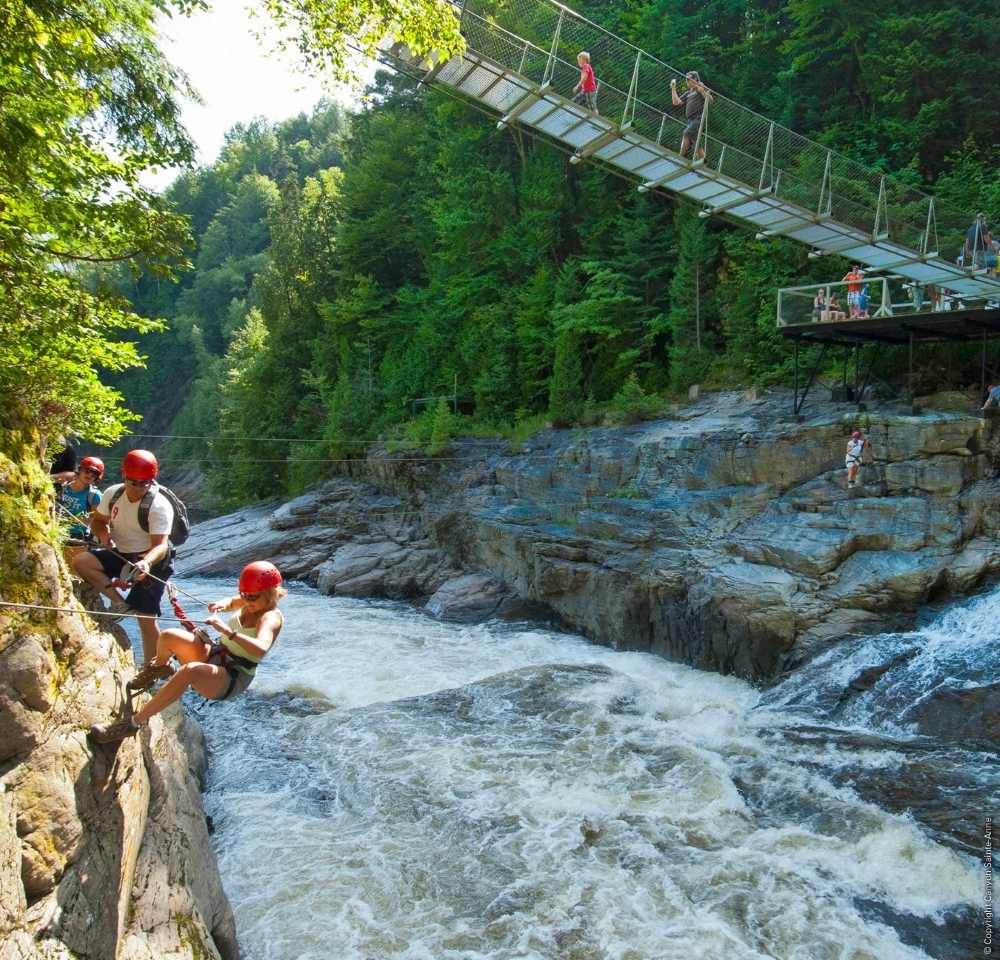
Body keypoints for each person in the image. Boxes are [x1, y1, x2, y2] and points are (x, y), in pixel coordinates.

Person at [89, 562, 286, 743]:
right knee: (169, 636)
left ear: (270, 594)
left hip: (233, 676)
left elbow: (260, 648)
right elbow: (232, 602)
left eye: (252, 597)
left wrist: (227, 631)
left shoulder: (270, 618)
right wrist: (221, 605)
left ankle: (131, 724)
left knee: (189, 671)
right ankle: (160, 669)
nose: (247, 600)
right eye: (244, 595)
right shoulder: (250, 599)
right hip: (216, 654)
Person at [71, 449, 174, 664]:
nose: (137, 488)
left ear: (151, 480)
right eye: (133, 482)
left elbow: (161, 545)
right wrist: (103, 534)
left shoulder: (159, 506)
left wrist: (145, 562)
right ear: (123, 477)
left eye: (144, 483)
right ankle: (119, 603)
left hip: (153, 559)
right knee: (81, 561)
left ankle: (154, 668)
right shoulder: (112, 494)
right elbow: (99, 521)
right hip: (121, 551)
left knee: (145, 619)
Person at [670, 70, 713, 161]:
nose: (687, 81)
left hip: (699, 117)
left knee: (686, 133)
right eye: (686, 79)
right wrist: (673, 88)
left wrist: (702, 91)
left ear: (695, 79)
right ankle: (704, 164)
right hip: (690, 120)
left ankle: (680, 157)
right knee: (696, 143)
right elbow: (676, 102)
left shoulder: (700, 88)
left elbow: (710, 100)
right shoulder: (688, 93)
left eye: (689, 79)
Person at [60, 456, 104, 539]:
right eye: (88, 470)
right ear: (80, 470)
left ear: (97, 477)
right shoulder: (63, 487)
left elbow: (98, 520)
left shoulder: (95, 495)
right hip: (56, 530)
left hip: (79, 536)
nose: (90, 474)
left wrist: (76, 520)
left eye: (95, 473)